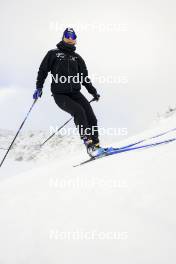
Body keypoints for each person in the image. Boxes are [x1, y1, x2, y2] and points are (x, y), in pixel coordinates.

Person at [33, 27, 104, 157]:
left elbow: (84, 78)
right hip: (60, 95)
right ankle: (89, 145)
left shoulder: (77, 58)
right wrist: (39, 87)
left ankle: (97, 145)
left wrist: (93, 92)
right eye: (67, 37)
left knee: (92, 118)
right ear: (63, 38)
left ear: (75, 40)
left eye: (73, 38)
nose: (70, 40)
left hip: (75, 93)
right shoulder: (53, 54)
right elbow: (43, 70)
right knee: (79, 111)